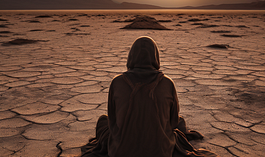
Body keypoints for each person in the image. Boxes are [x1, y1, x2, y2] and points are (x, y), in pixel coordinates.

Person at [81, 36, 218, 157]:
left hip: (120, 151)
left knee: (103, 121)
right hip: (162, 152)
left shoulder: (117, 82)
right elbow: (173, 122)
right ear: (155, 57)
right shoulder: (167, 83)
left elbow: (113, 120)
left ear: (131, 57)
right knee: (180, 123)